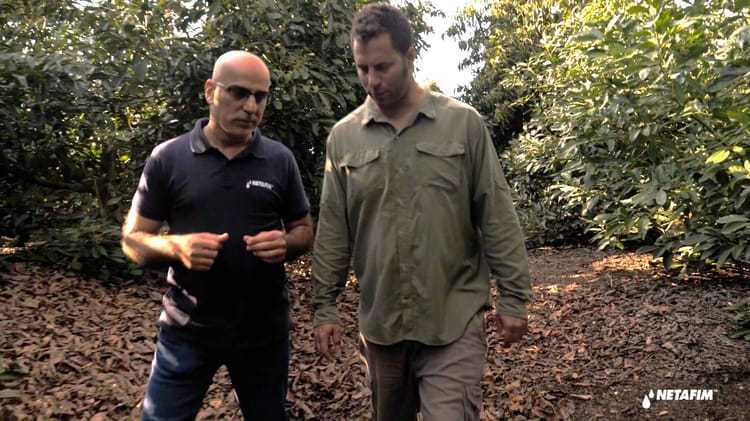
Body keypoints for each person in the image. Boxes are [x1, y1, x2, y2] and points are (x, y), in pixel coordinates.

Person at [311, 3, 532, 420]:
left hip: (453, 320)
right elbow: (334, 229)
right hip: (382, 326)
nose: (372, 81)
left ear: (410, 55)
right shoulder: (343, 139)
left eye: (383, 67)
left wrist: (514, 296)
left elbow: (496, 213)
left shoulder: (463, 124)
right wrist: (325, 305)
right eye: (362, 68)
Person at [121, 50, 313, 420]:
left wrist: (287, 244)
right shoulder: (168, 158)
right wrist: (176, 247)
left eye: (260, 96)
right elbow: (132, 240)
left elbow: (304, 231)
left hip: (263, 334)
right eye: (239, 93)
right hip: (187, 331)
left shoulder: (279, 159)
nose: (251, 107)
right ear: (211, 91)